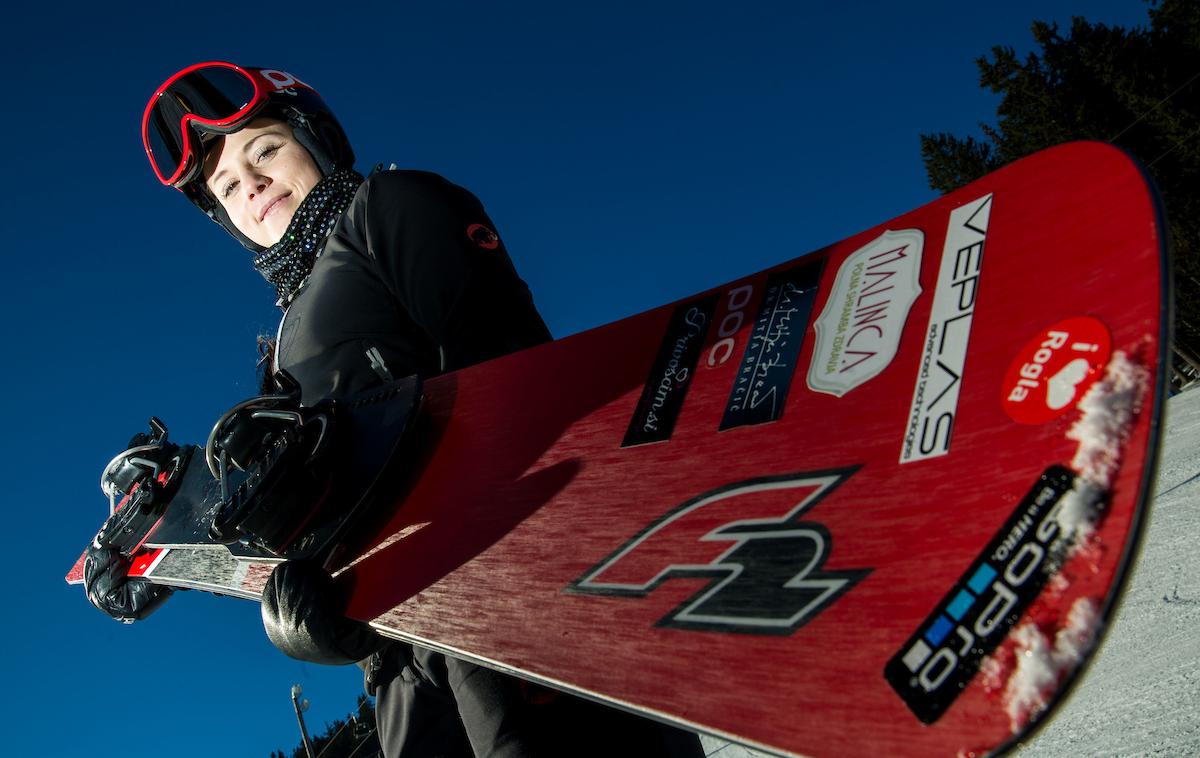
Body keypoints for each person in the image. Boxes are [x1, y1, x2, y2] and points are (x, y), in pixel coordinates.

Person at [84, 61, 704, 758]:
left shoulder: (389, 208)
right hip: (406, 660)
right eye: (228, 185)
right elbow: (326, 515)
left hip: (510, 596)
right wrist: (190, 520)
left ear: (314, 138)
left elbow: (514, 380)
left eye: (263, 150)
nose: (250, 184)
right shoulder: (281, 347)